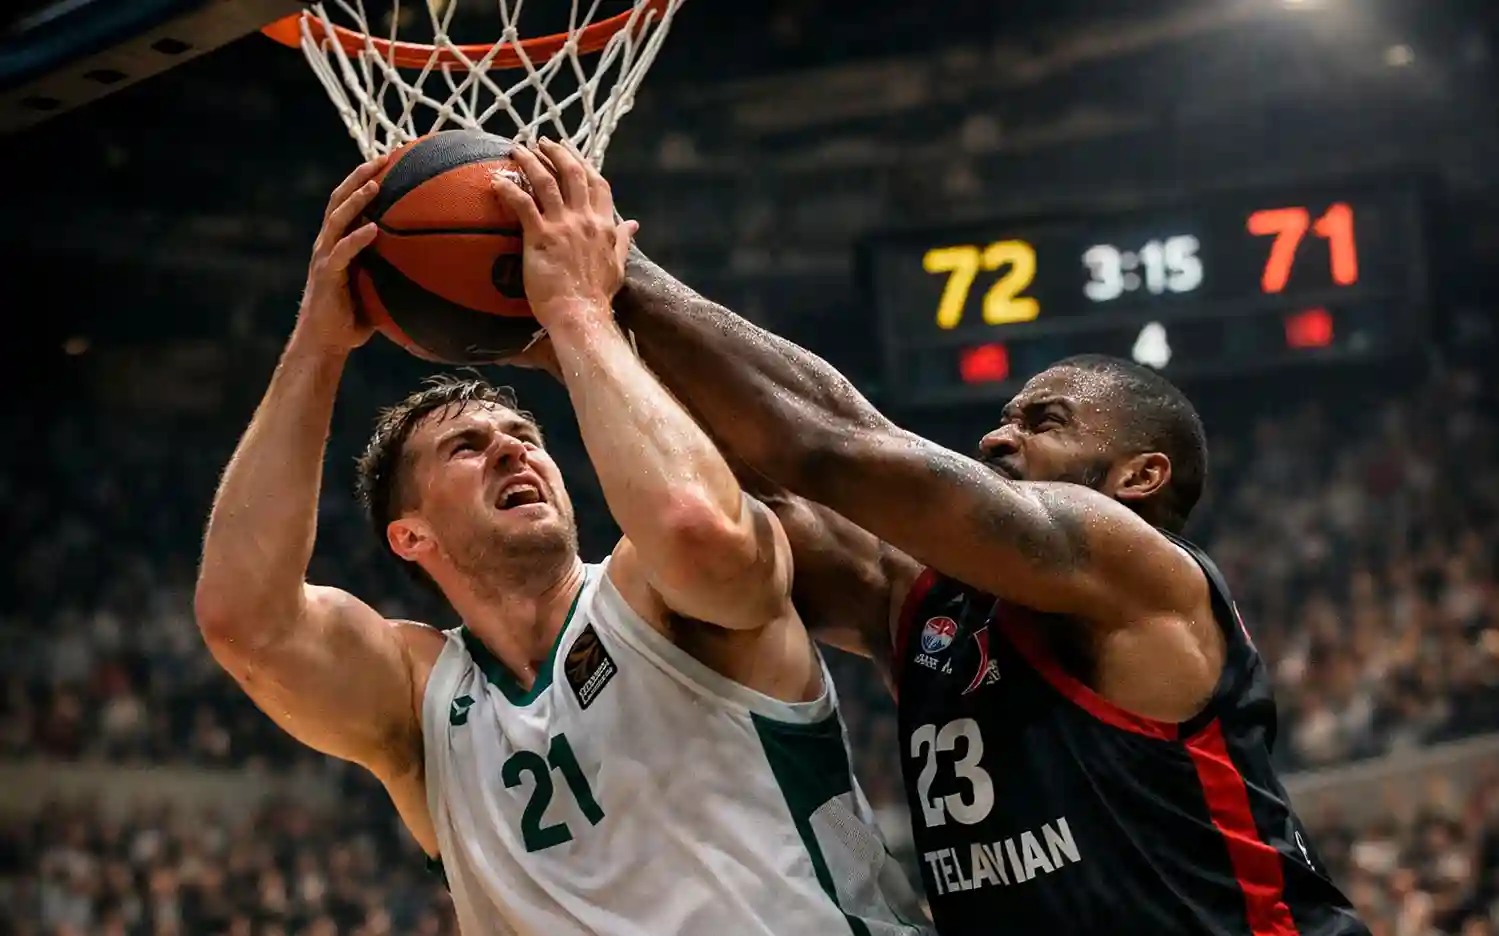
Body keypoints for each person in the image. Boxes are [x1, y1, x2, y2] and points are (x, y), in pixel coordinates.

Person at [498, 142, 1371, 935]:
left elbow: (829, 444)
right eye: (1004, 417)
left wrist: (616, 271)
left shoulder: (1133, 565)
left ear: (1137, 476)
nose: (996, 437)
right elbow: (753, 496)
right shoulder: (923, 606)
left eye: (1044, 421)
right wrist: (588, 348)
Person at [194, 152, 929, 936]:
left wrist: (579, 314)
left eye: (524, 435)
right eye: (467, 447)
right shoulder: (417, 698)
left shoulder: (649, 593)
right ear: (410, 535)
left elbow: (697, 527)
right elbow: (245, 621)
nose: (512, 450)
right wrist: (317, 343)